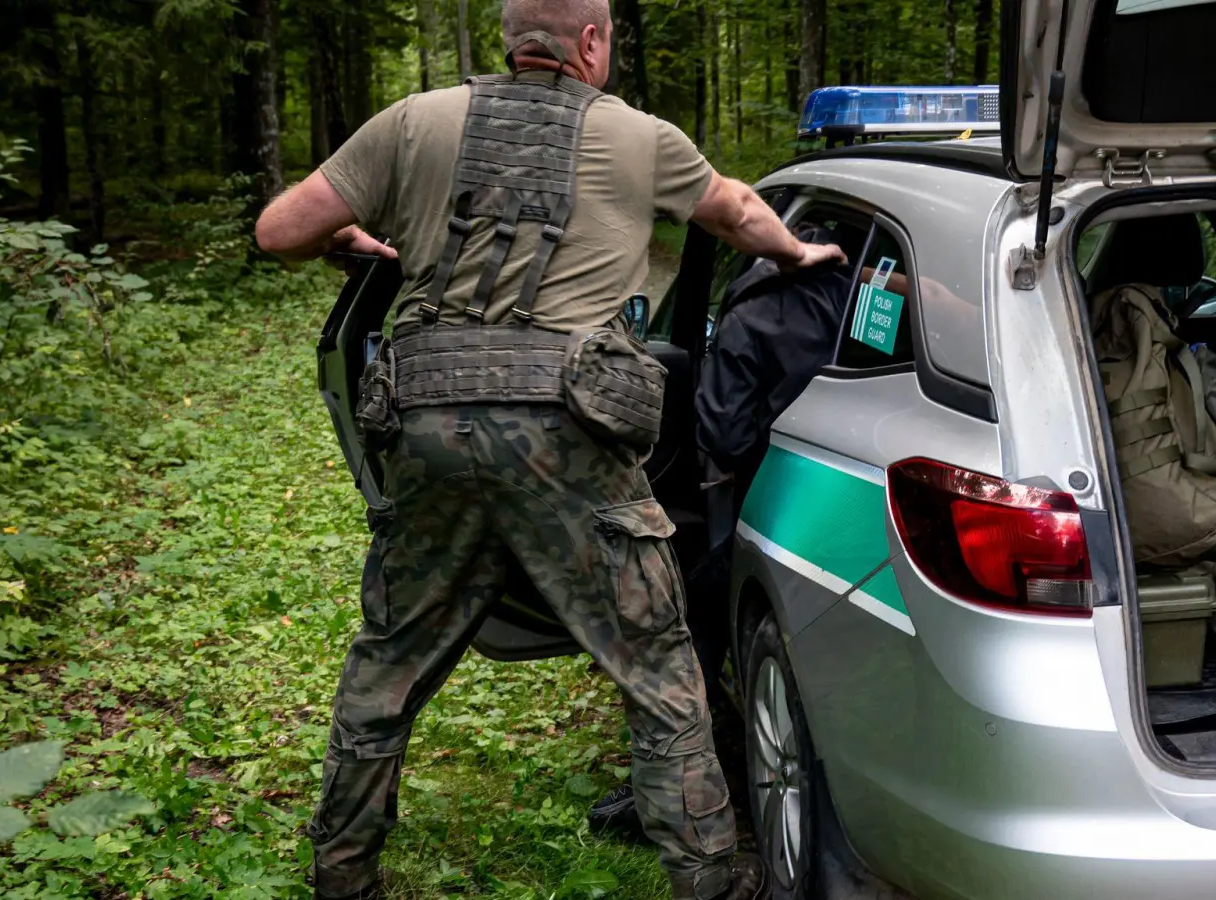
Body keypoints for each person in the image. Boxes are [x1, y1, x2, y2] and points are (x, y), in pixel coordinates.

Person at [253, 0, 845, 897]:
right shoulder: (643, 138)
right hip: (569, 431)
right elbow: (737, 212)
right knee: (656, 670)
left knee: (387, 664)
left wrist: (354, 240)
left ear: (511, 39)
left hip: (426, 427)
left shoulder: (413, 121)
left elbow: (276, 231)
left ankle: (342, 874)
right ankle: (712, 879)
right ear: (594, 42)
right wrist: (798, 253)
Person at [586, 224, 856, 841]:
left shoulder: (752, 314)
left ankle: (667, 787)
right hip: (874, 506)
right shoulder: (889, 300)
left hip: (787, 508)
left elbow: (724, 437)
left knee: (691, 609)